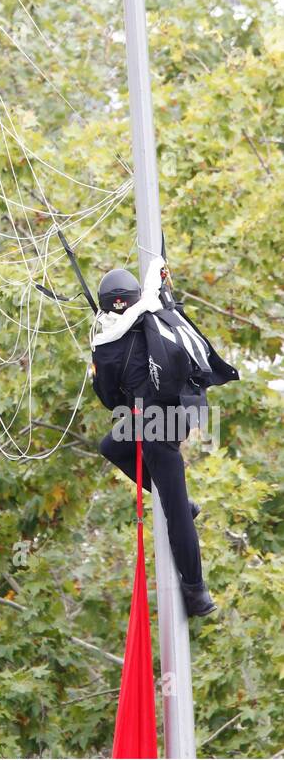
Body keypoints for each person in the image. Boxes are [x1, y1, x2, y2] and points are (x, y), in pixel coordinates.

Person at [90, 264, 237, 619]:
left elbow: (110, 400)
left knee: (175, 513)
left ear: (108, 307)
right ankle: (180, 502)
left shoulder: (106, 344)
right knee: (111, 446)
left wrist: (96, 372)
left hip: (153, 429)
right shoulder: (155, 311)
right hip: (177, 414)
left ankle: (195, 589)